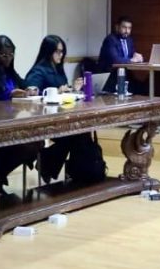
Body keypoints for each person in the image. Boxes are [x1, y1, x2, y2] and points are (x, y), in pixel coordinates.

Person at [25, 35, 104, 183]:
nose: (61, 55)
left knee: (81, 131)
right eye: (57, 52)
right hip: (45, 119)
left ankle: (73, 171)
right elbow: (32, 93)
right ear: (48, 51)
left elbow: (63, 92)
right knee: (76, 134)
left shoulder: (58, 69)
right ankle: (73, 171)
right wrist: (56, 90)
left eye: (62, 52)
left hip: (60, 115)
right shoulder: (38, 71)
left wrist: (73, 88)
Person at [0, 35, 40, 191]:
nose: (8, 58)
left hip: (11, 122)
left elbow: (23, 84)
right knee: (27, 145)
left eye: (11, 55)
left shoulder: (10, 71)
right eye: (4, 55)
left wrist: (30, 89)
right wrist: (8, 96)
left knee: (36, 142)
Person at [96, 16, 144, 93]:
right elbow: (116, 60)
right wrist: (132, 60)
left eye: (129, 28)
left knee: (144, 87)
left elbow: (132, 55)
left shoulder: (129, 40)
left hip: (124, 75)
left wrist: (138, 57)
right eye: (124, 27)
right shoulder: (110, 40)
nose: (127, 31)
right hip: (110, 76)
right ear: (117, 27)